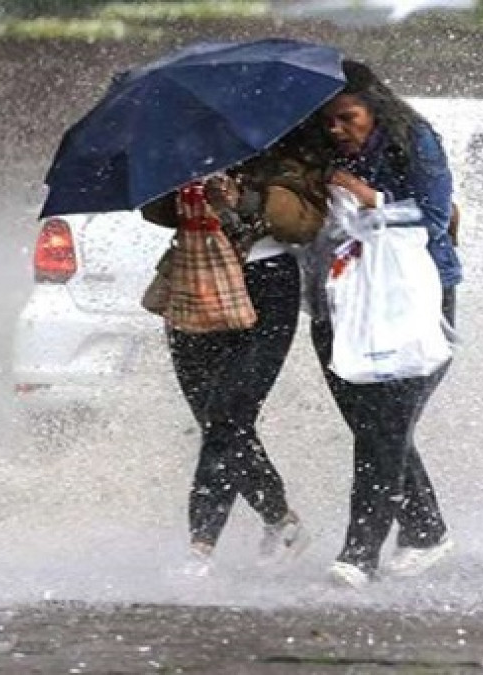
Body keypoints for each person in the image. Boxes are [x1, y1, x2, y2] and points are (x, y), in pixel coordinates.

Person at [142, 125, 329, 576]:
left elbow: (302, 223)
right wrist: (182, 184)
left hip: (268, 287)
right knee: (214, 418)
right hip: (195, 279)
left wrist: (243, 199)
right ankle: (282, 521)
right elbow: (154, 209)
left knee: (229, 414)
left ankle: (200, 546)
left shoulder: (288, 147)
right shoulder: (182, 146)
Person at [306, 60, 463, 588]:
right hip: (338, 301)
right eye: (328, 121)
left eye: (347, 117)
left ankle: (359, 553)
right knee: (373, 427)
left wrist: (374, 201)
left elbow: (436, 215)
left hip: (412, 297)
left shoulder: (413, 139)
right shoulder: (318, 155)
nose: (338, 130)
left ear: (374, 109)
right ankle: (425, 530)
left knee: (385, 426)